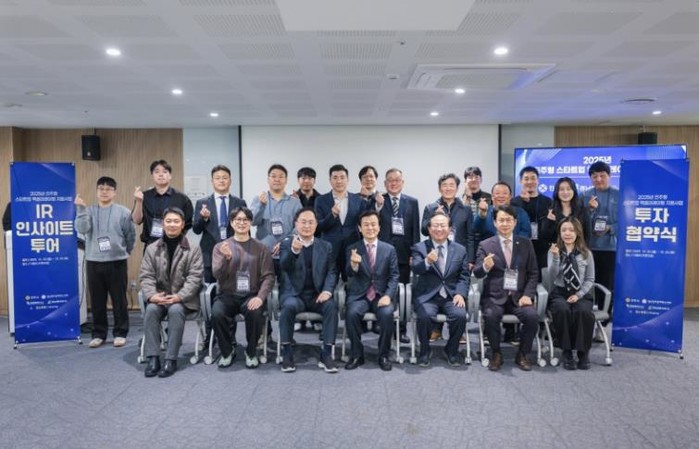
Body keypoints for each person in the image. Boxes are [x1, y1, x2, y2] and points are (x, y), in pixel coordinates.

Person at [139, 207, 203, 378]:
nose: (172, 225)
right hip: (160, 297)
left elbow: (195, 277)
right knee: (151, 310)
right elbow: (146, 275)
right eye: (168, 221)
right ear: (163, 223)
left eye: (176, 221)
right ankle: (153, 358)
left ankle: (170, 359)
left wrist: (179, 296)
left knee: (175, 310)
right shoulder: (152, 248)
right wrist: (152, 295)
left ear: (182, 225)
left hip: (184, 299)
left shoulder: (193, 248)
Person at [474, 205, 539, 372]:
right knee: (490, 316)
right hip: (494, 296)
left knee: (532, 317)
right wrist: (486, 267)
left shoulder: (525, 243)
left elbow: (533, 273)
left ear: (515, 222)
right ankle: (496, 353)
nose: (505, 224)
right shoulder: (485, 245)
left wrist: (528, 295)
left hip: (519, 296)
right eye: (501, 220)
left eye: (508, 220)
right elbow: (477, 273)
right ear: (495, 223)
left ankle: (523, 354)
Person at [74, 176, 136, 348]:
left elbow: (131, 235)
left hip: (117, 262)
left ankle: (120, 333)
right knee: (97, 301)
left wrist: (125, 251)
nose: (104, 192)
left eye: (108, 189)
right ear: (96, 191)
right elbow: (82, 229)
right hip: (94, 261)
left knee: (119, 300)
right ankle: (99, 334)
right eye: (101, 188)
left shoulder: (123, 212)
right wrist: (80, 209)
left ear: (114, 192)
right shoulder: (88, 211)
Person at [211, 207, 275, 369]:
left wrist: (260, 297)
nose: (241, 223)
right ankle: (227, 351)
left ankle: (251, 352)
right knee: (217, 313)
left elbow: (268, 276)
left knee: (255, 312)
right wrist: (226, 258)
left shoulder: (261, 248)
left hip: (251, 294)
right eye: (237, 219)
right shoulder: (221, 247)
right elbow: (217, 275)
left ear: (250, 222)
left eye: (245, 219)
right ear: (232, 223)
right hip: (227, 294)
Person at [278, 208, 339, 373]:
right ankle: (287, 353)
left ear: (316, 224)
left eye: (311, 222)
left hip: (317, 295)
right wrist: (294, 251)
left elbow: (332, 271)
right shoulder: (286, 244)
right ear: (296, 224)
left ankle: (326, 354)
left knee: (331, 307)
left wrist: (327, 291)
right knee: (288, 307)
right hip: (294, 295)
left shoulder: (326, 246)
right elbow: (284, 266)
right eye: (303, 222)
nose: (307, 226)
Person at [411, 212, 471, 368]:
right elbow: (416, 269)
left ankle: (451, 350)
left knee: (460, 315)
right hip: (427, 296)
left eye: (443, 225)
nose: (439, 229)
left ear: (450, 229)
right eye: (435, 225)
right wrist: (427, 261)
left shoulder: (460, 249)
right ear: (429, 229)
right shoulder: (419, 247)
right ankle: (424, 350)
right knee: (424, 316)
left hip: (451, 295)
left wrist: (460, 293)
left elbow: (464, 275)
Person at [421, 173, 474, 343]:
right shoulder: (431, 207)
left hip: (458, 257)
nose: (448, 188)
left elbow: (470, 236)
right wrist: (433, 217)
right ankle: (436, 329)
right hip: (437, 254)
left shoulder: (465, 209)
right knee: (438, 289)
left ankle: (458, 331)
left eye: (452, 185)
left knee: (457, 290)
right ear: (439, 188)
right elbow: (424, 230)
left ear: (457, 188)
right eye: (444, 185)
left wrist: (471, 259)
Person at [344, 210, 399, 371]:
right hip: (359, 295)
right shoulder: (353, 248)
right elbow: (348, 273)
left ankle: (383, 354)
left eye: (373, 224)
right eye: (366, 225)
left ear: (379, 227)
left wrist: (388, 295)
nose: (370, 228)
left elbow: (394, 276)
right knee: (351, 313)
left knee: (387, 314)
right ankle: (356, 354)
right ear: (360, 228)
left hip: (381, 295)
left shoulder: (389, 249)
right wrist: (354, 264)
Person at [377, 168, 420, 344]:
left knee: (403, 294)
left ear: (402, 182)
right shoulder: (379, 200)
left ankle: (401, 330)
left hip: (404, 255)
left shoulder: (412, 202)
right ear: (385, 183)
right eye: (390, 180)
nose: (393, 183)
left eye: (397, 180)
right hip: (382, 255)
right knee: (383, 290)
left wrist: (415, 253)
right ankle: (384, 327)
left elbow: (415, 231)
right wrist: (377, 206)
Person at [547, 217, 595, 370]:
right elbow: (551, 277)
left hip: (581, 292)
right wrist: (556, 258)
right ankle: (566, 351)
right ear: (560, 233)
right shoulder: (554, 251)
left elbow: (590, 279)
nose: (567, 233)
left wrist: (579, 294)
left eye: (571, 230)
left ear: (578, 232)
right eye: (564, 230)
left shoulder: (586, 253)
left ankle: (583, 352)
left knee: (583, 312)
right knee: (562, 310)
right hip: (560, 292)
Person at [192, 164, 247, 283]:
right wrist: (203, 218)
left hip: (234, 252)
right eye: (217, 178)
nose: (221, 180)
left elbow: (246, 229)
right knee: (210, 289)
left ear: (230, 181)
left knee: (234, 287)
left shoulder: (240, 202)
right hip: (209, 254)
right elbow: (196, 230)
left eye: (225, 178)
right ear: (212, 181)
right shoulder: (202, 203)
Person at [581, 161, 618, 333]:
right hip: (588, 249)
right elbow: (578, 221)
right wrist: (588, 209)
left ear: (609, 176)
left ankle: (602, 326)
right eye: (594, 176)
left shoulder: (619, 194)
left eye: (602, 175)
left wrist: (610, 228)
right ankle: (587, 321)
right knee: (587, 285)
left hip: (610, 248)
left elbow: (628, 220)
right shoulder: (585, 195)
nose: (598, 179)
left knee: (606, 286)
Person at [315, 164, 367, 280]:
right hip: (330, 247)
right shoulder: (321, 200)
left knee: (351, 280)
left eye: (342, 177)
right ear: (330, 180)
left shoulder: (358, 200)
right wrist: (332, 215)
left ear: (347, 180)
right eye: (335, 178)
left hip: (352, 246)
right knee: (328, 280)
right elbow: (318, 227)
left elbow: (363, 223)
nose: (339, 181)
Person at [250, 164, 302, 276]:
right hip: (263, 253)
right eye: (273, 176)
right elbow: (253, 222)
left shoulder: (295, 202)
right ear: (268, 179)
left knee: (287, 284)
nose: (277, 179)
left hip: (288, 253)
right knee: (265, 284)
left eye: (281, 176)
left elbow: (299, 227)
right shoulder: (258, 199)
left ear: (286, 180)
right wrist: (261, 205)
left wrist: (285, 242)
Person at [132, 160, 193, 249]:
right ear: (152, 176)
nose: (161, 174)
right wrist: (139, 201)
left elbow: (188, 223)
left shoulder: (182, 198)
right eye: (157, 172)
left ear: (170, 176)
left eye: (165, 172)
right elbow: (137, 220)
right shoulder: (144, 196)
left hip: (175, 245)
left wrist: (175, 236)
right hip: (151, 245)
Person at [511, 166, 552, 275]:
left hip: (542, 248)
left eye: (533, 178)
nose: (530, 182)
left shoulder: (547, 202)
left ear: (538, 180)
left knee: (541, 278)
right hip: (520, 247)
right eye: (526, 179)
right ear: (520, 181)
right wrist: (525, 203)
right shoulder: (514, 202)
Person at [540, 177, 591, 246]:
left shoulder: (583, 211)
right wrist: (549, 221)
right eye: (561, 189)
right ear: (557, 192)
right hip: (556, 250)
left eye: (568, 189)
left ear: (574, 191)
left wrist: (582, 250)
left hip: (578, 250)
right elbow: (544, 237)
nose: (565, 192)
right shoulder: (550, 211)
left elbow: (587, 236)